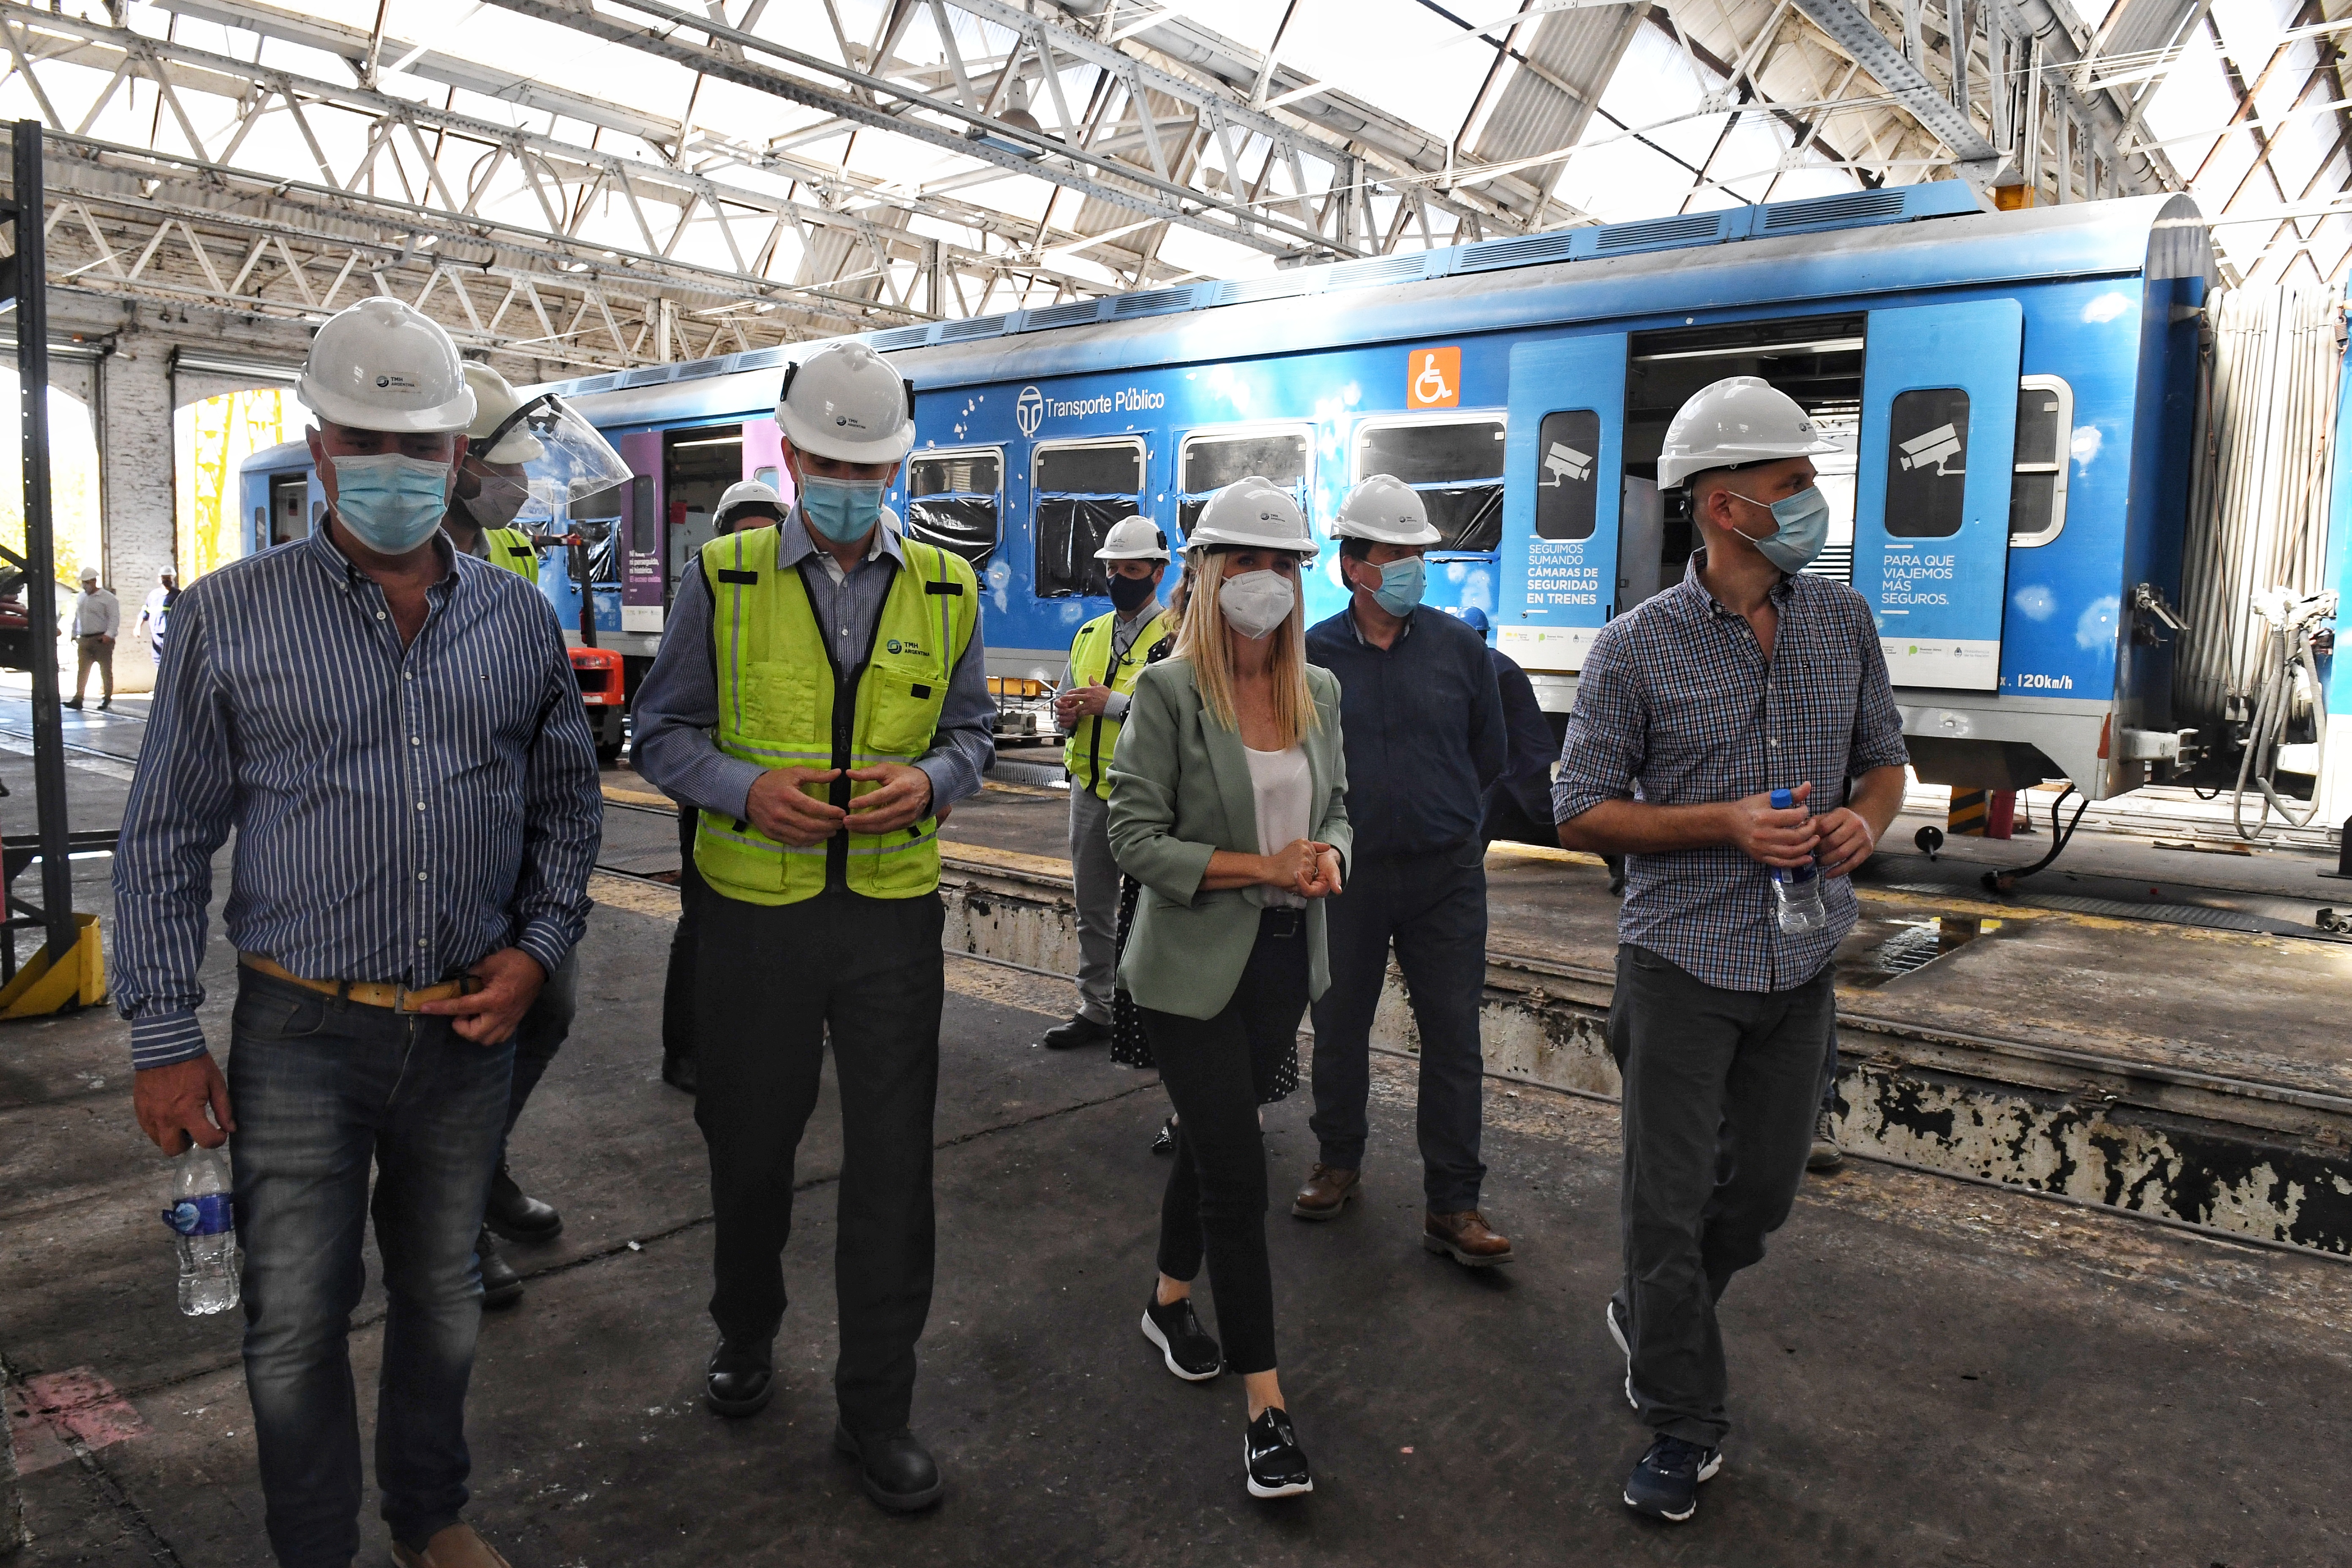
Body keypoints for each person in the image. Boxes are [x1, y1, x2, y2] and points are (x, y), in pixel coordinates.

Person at [113, 295, 603, 1568]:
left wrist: (537, 947)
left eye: (419, 446)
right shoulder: (231, 616)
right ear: (321, 445)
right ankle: (315, 1547)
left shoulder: (514, 621)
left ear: (456, 457)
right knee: (292, 1321)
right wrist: (164, 1035)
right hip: (299, 1030)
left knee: (442, 1299)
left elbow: (564, 809)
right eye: (365, 444)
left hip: (462, 1028)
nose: (393, 470)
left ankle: (431, 1518)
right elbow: (164, 836)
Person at [632, 343, 991, 1514]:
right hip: (754, 922)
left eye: (871, 463)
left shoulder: (948, 588)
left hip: (890, 922)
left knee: (894, 1173)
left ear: (897, 465)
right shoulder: (723, 576)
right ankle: (745, 1333)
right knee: (751, 1147)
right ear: (791, 457)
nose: (850, 481)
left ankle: (876, 1410)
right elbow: (661, 734)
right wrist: (745, 792)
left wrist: (935, 782)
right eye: (829, 459)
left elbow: (979, 734)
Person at [1551, 376, 1908, 1524]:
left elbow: (1886, 758)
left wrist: (1871, 818)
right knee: (1664, 1207)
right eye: (1791, 482)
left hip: (1801, 969)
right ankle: (1681, 1418)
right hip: (1680, 968)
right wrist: (1726, 823)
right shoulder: (1634, 649)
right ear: (1722, 503)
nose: (1811, 500)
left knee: (1756, 1200)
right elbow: (1581, 813)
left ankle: (1655, 1316)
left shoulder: (1841, 620)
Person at [1107, 476, 1349, 1500]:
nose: (1265, 582)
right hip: (1185, 966)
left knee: (1218, 1140)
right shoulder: (1167, 692)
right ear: (1205, 575)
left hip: (1283, 960)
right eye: (1245, 562)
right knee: (1239, 1175)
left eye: (1284, 564)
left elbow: (1336, 811)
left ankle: (1167, 1300)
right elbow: (1134, 839)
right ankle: (1266, 1409)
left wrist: (1329, 856)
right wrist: (1263, 866)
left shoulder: (1317, 692)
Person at [1297, 475, 1511, 1268]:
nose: (1414, 568)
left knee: (1454, 1037)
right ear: (1353, 565)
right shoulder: (1309, 652)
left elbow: (1489, 754)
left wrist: (1455, 832)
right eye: (1397, 554)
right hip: (1345, 876)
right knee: (1338, 1027)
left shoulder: (1460, 647)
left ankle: (1453, 1204)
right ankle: (1336, 1162)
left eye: (1420, 554)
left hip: (1445, 877)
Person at [442, 360, 583, 1309]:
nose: (524, 483)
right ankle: (453, 1227)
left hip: (524, 846)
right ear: (459, 462)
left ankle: (482, 1172)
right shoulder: (406, 556)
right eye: (510, 465)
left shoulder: (510, 557)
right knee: (464, 1041)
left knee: (546, 1011)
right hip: (448, 852)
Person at [655, 478, 787, 1096]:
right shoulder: (707, 589)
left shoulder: (796, 597)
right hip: (714, 790)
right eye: (744, 535)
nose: (756, 547)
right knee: (703, 924)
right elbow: (671, 716)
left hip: (781, 794)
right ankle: (685, 1054)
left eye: (768, 534)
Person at [1040, 515, 1174, 1051]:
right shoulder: (1089, 634)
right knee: (1093, 908)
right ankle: (1096, 1008)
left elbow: (1184, 714)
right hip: (1090, 792)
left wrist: (1111, 705)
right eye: (1113, 569)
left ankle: (1153, 1015)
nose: (1120, 578)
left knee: (1153, 913)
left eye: (1133, 569)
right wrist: (1066, 716)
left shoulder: (1180, 634)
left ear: (1159, 573)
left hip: (1150, 799)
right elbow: (1066, 707)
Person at [1456, 607, 1561, 851]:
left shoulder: (1491, 668)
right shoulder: (1485, 661)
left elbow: (1470, 716)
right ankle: (1462, 875)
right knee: (1481, 817)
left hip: (1524, 759)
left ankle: (1615, 854)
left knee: (1545, 813)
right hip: (1502, 760)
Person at [64, 565, 118, 711]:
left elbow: (114, 618)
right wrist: (74, 633)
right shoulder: (82, 598)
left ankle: (107, 698)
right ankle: (78, 698)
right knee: (83, 670)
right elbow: (78, 616)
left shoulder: (108, 599)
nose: (85, 586)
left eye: (87, 582)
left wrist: (109, 635)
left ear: (94, 581)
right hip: (85, 639)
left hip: (102, 639)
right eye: (84, 583)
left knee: (105, 670)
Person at [136, 567, 178, 664]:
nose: (167, 580)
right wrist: (138, 627)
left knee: (173, 664)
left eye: (169, 578)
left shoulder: (178, 595)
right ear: (159, 579)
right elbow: (144, 612)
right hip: (157, 639)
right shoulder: (153, 596)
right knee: (159, 664)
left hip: (173, 638)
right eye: (165, 578)